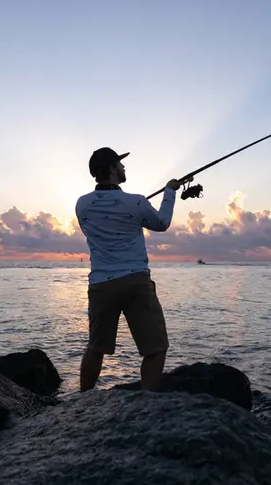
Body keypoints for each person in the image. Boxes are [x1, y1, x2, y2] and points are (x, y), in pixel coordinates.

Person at [74, 147, 183, 392]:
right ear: (112, 168)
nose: (124, 168)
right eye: (120, 164)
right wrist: (169, 191)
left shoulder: (82, 205)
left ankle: (83, 401)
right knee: (155, 348)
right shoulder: (135, 201)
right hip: (135, 281)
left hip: (101, 284)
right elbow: (162, 223)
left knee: (96, 346)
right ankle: (147, 402)